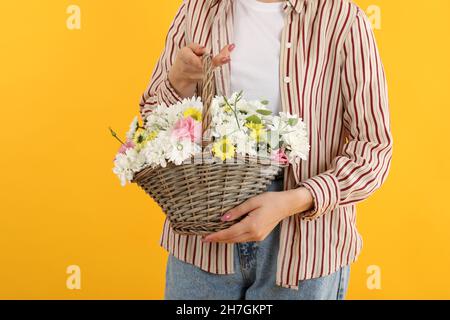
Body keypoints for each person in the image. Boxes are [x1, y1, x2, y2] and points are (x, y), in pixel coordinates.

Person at [139, 0, 393, 300]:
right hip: (202, 244)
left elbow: (374, 149)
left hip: (303, 251)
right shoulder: (198, 10)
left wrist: (296, 200)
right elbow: (155, 126)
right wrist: (179, 80)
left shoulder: (342, 20)